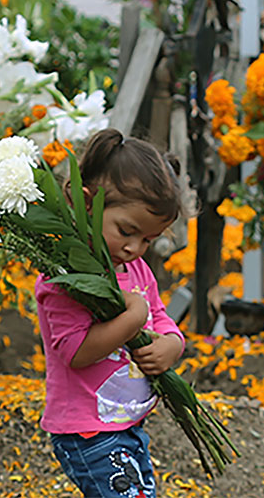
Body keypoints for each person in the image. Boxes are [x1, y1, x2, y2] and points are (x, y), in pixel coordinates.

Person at [36, 128, 190, 498]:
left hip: (128, 425)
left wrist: (172, 343)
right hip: (88, 432)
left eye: (149, 240)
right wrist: (132, 319)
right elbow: (75, 352)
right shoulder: (64, 277)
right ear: (88, 204)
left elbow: (159, 315)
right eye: (127, 231)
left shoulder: (136, 271)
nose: (135, 248)